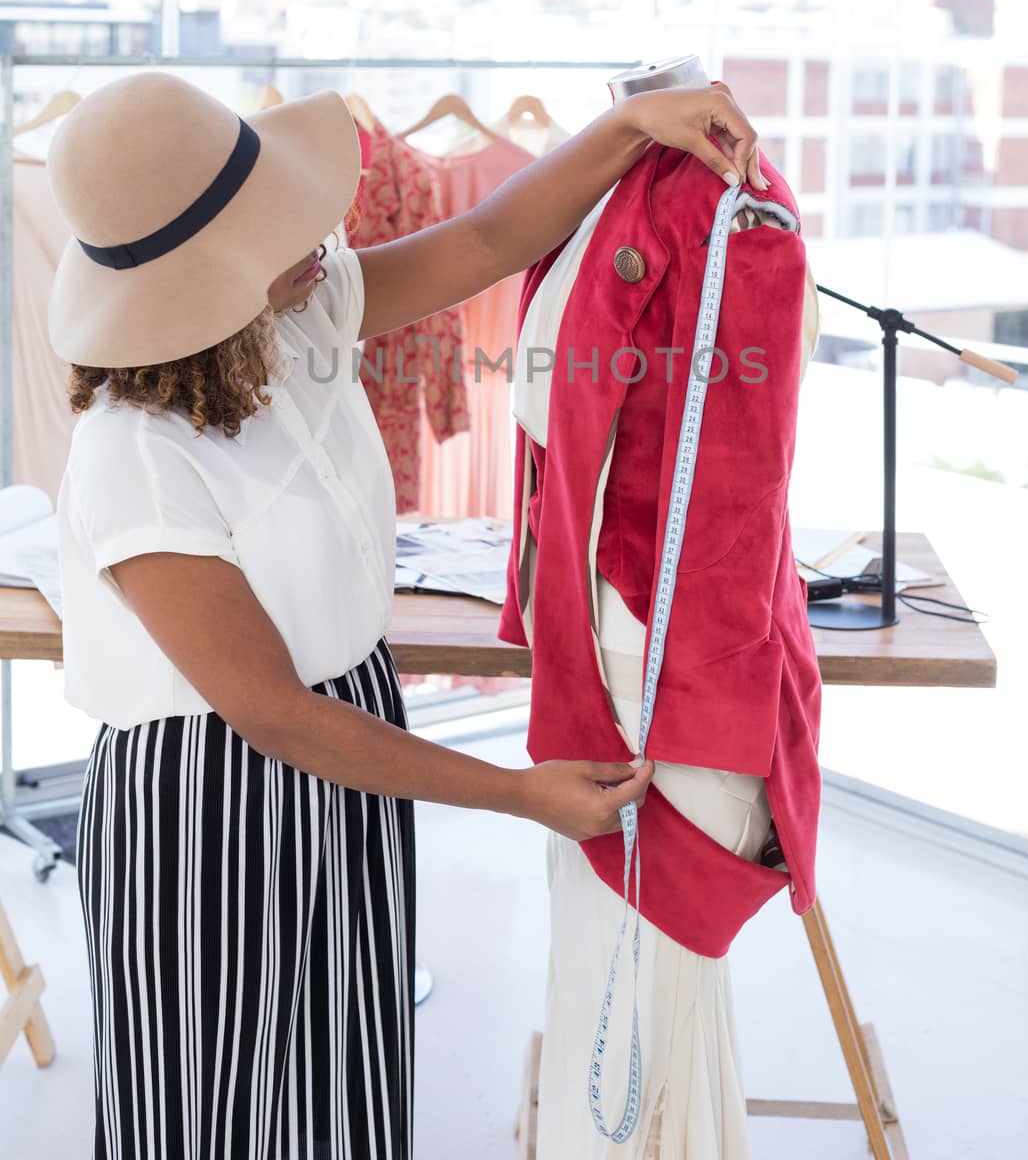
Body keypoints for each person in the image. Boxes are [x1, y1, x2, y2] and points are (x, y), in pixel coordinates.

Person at [46, 70, 764, 1159]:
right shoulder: (133, 455)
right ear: (203, 276)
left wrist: (624, 126)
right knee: (207, 1115)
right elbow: (272, 714)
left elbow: (485, 241)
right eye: (275, 223)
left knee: (343, 1078)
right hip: (204, 801)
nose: (317, 225)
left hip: (351, 748)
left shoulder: (296, 317)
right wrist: (517, 795)